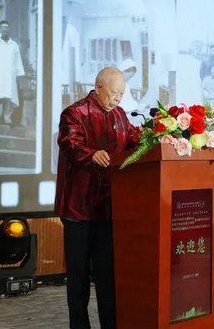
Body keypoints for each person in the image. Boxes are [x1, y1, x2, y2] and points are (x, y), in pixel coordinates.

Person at [55, 67, 136, 329]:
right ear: (98, 87)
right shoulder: (74, 113)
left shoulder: (120, 115)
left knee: (107, 276)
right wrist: (91, 154)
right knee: (78, 277)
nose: (118, 99)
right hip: (78, 208)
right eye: (114, 93)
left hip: (108, 207)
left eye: (122, 94)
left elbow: (133, 140)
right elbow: (70, 144)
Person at [0, 21, 25, 124]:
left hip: (10, 73)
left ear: (8, 30)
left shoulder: (13, 45)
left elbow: (18, 60)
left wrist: (20, 74)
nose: (5, 29)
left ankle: (7, 117)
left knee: (10, 95)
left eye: (6, 27)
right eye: (3, 27)